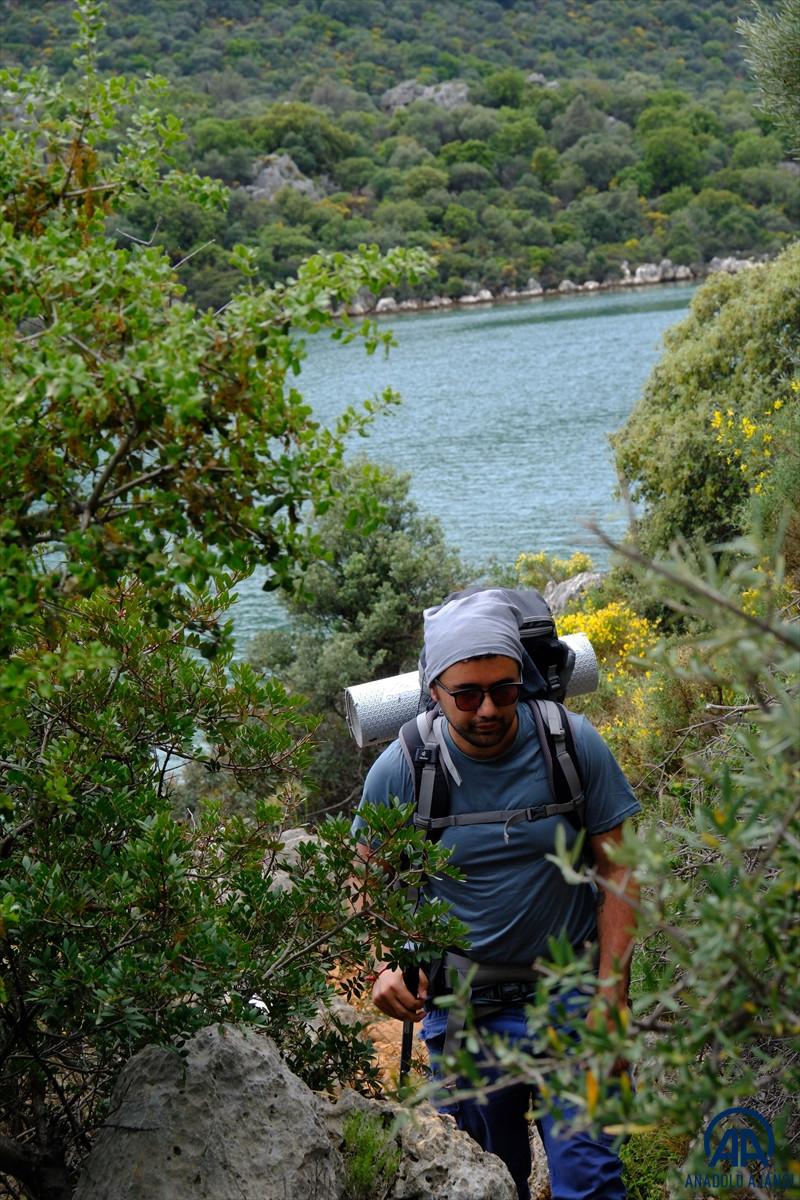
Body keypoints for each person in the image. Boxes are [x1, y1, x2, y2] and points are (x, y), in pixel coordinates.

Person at [352, 589, 640, 1200]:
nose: (488, 709)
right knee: (488, 1181)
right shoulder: (406, 767)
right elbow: (361, 876)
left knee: (589, 1180)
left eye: (504, 690)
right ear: (434, 691)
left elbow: (620, 872)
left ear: (523, 680)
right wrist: (380, 963)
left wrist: (612, 996)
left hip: (572, 999)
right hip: (464, 1013)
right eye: (467, 695)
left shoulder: (572, 743)